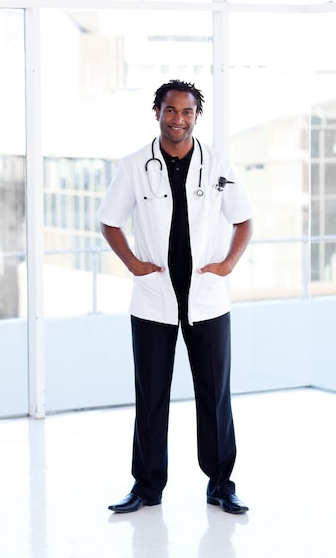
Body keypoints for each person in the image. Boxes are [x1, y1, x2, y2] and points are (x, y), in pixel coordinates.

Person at [97, 79, 253, 515]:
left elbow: (244, 220)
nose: (178, 119)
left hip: (206, 297)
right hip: (153, 299)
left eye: (186, 112)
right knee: (151, 396)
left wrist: (226, 266)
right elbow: (109, 221)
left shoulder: (219, 163)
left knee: (214, 395)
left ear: (196, 116)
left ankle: (221, 484)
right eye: (170, 111)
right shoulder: (133, 166)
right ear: (157, 112)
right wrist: (132, 263)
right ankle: (146, 486)